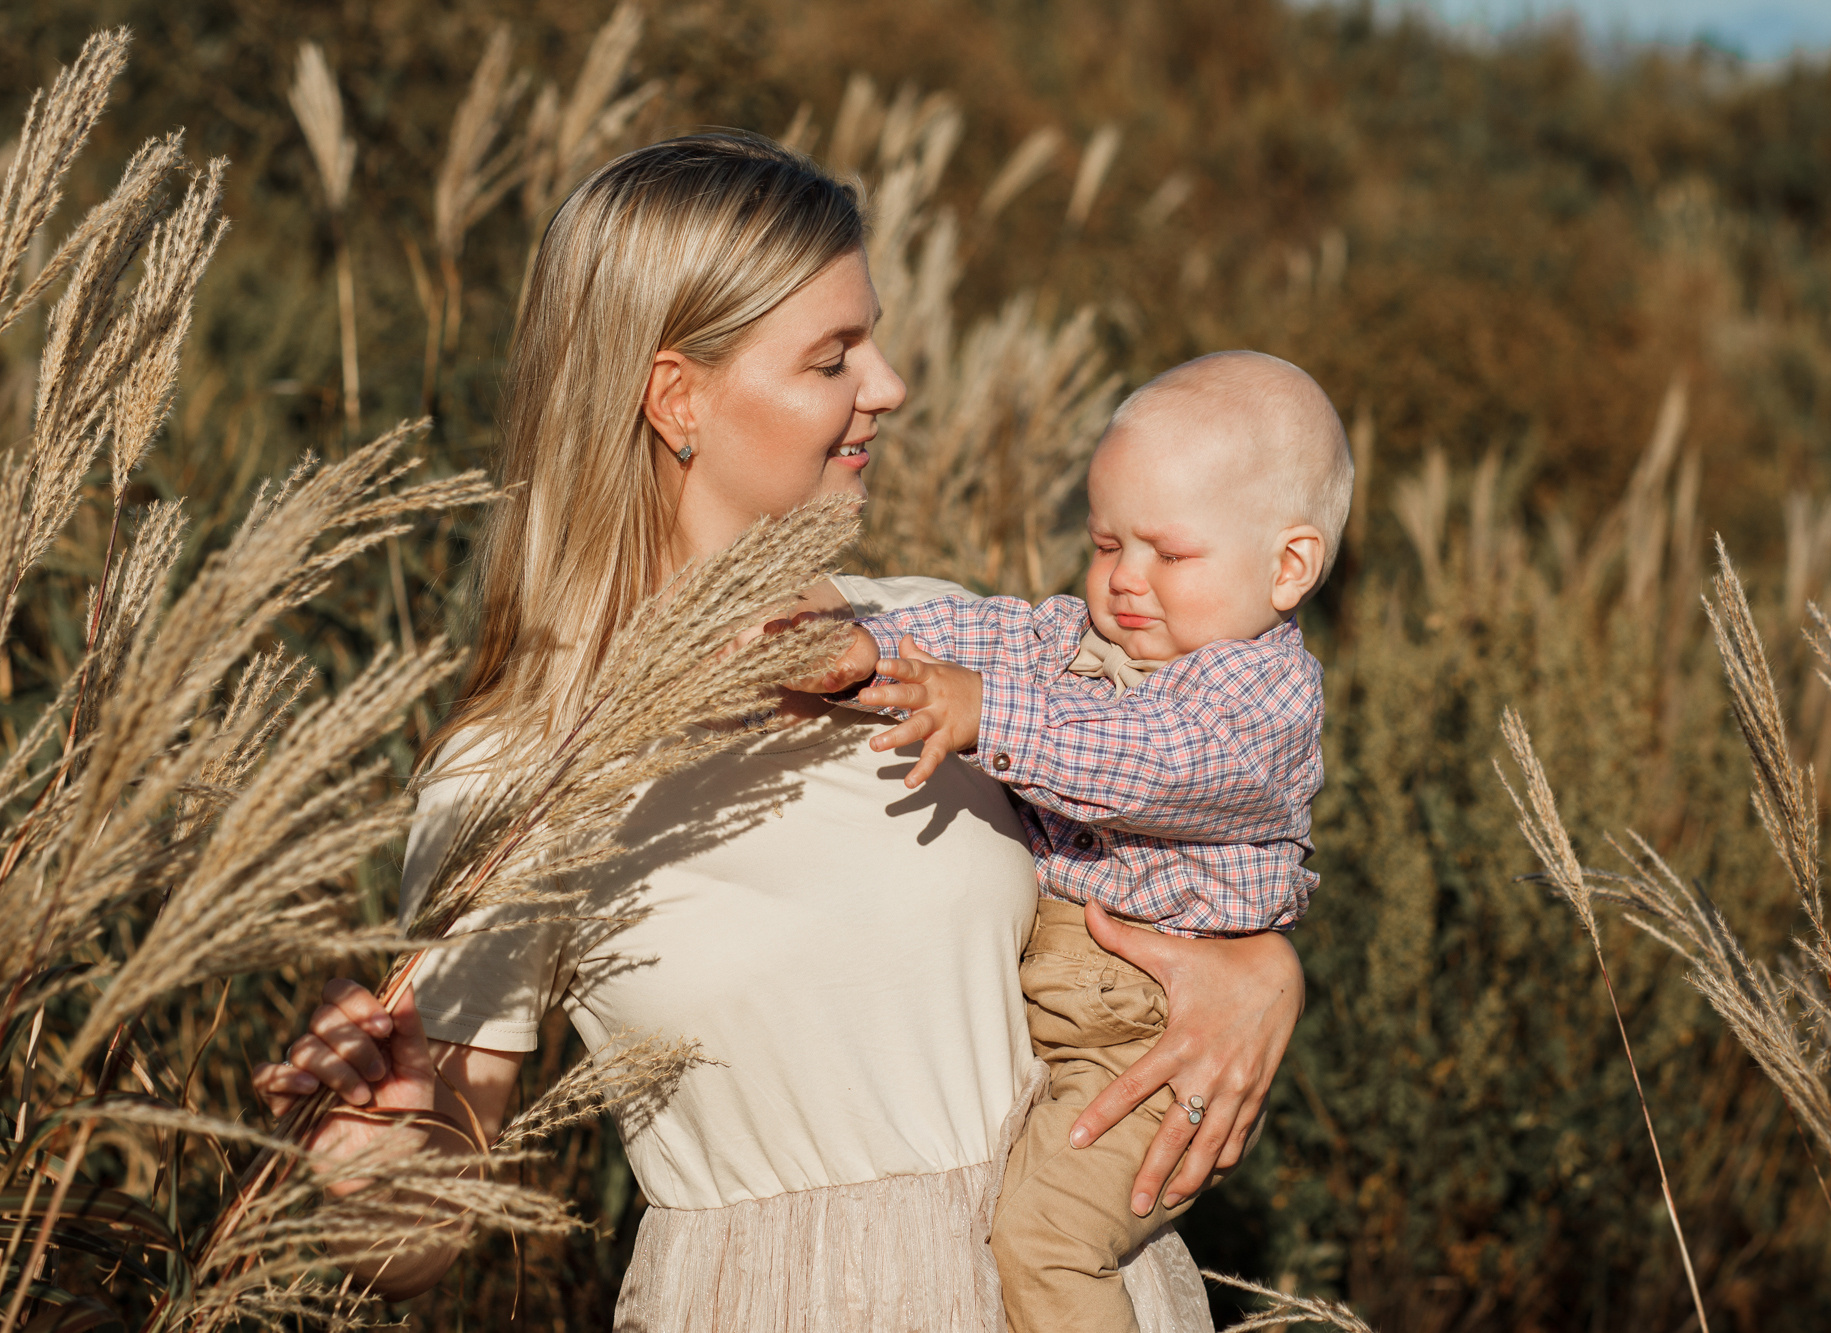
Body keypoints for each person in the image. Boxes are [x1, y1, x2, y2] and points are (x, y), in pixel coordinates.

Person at [251, 134, 1306, 1333]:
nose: (891, 385)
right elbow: (421, 1230)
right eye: (831, 357)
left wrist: (1263, 968)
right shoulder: (521, 766)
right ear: (676, 396)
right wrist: (356, 1165)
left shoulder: (946, 637)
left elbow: (1208, 789)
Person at [794, 351, 1348, 1332]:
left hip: (1147, 1038)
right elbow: (982, 630)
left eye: (1167, 555)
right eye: (1103, 544)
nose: (1122, 581)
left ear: (1287, 565)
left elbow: (1146, 758)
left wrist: (983, 712)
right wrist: (867, 649)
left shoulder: (1256, 699)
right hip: (1065, 1017)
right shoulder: (1081, 641)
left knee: (1048, 1241)